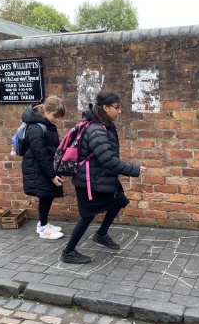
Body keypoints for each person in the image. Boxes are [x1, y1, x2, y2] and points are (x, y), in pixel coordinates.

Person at [61, 91, 147, 264]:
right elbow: (107, 160)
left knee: (119, 200)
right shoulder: (96, 130)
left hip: (100, 178)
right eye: (117, 107)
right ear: (106, 108)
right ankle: (68, 252)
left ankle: (101, 234)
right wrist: (134, 170)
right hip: (89, 181)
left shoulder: (103, 125)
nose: (119, 111)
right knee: (87, 216)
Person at [21, 95, 65, 239]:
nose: (56, 119)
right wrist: (51, 175)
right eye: (55, 116)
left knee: (48, 195)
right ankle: (44, 229)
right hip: (38, 169)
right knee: (45, 196)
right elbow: (41, 155)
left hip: (44, 168)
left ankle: (43, 223)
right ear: (46, 111)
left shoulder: (45, 124)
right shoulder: (36, 128)